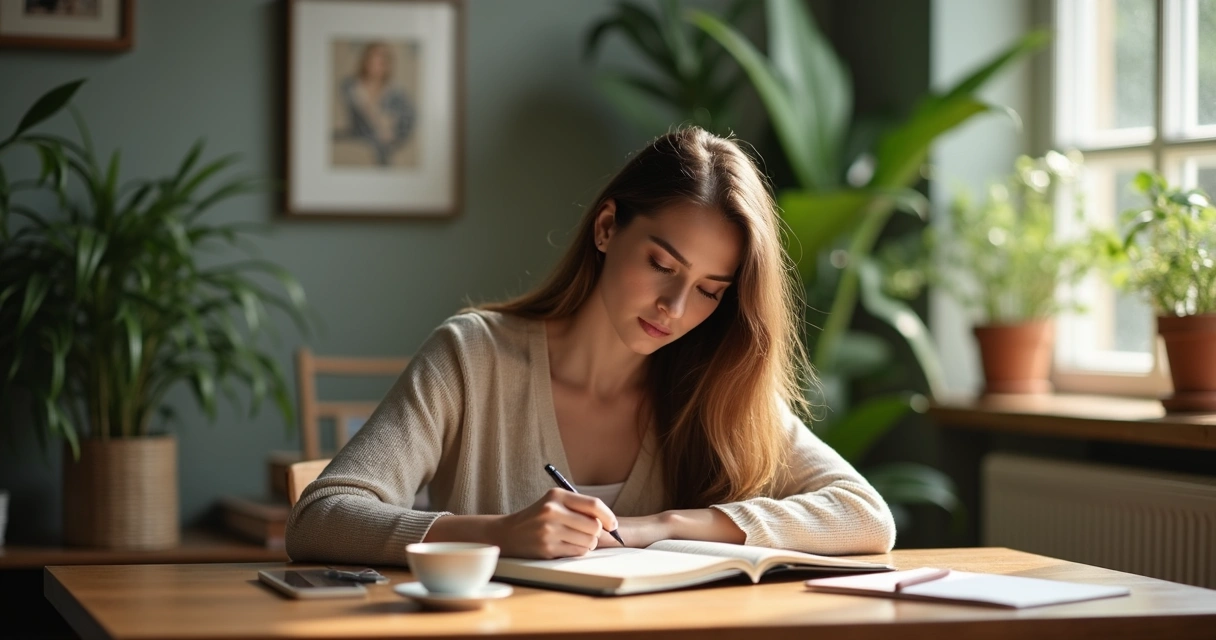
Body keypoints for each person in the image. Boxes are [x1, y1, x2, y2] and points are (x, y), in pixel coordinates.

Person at [286, 127, 896, 566]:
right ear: (607, 228)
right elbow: (321, 518)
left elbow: (866, 516)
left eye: (710, 290)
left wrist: (663, 527)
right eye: (662, 264)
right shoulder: (472, 357)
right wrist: (499, 534)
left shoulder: (714, 380)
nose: (675, 308)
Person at [335, 41, 415, 167]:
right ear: (365, 61)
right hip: (356, 148)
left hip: (384, 154)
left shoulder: (396, 93)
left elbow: (405, 125)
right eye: (373, 59)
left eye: (382, 60)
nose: (376, 64)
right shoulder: (351, 87)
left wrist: (390, 132)